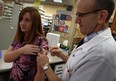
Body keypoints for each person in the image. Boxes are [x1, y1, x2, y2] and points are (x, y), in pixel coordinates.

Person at [35, 0, 116, 81]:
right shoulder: (91, 37)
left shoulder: (100, 56)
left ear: (101, 16)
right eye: (77, 15)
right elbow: (79, 65)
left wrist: (46, 66)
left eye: (81, 15)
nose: (76, 20)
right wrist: (62, 55)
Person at [4, 7, 49, 81]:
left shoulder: (40, 41)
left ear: (35, 23)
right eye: (21, 19)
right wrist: (22, 50)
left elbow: (40, 73)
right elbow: (6, 58)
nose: (22, 23)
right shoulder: (20, 37)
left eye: (27, 20)